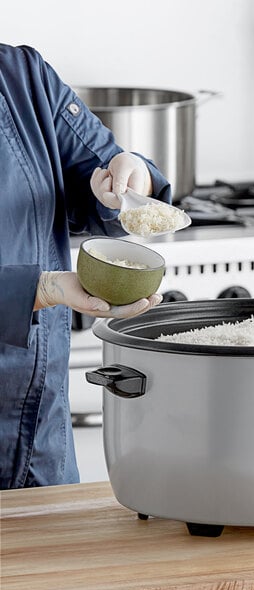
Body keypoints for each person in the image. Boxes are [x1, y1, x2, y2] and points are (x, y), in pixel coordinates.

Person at [0, 43, 172, 489]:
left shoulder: (22, 75)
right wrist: (42, 290)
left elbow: (103, 179)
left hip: (39, 434)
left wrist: (130, 175)